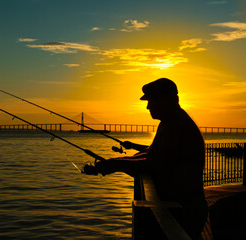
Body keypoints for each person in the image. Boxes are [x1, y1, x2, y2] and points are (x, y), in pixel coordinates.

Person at [83, 78, 208, 240]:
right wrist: (117, 162)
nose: (148, 106)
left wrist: (114, 164)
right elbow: (152, 152)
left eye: (152, 101)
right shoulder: (168, 123)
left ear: (169, 100)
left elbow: (155, 163)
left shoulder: (177, 126)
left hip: (185, 209)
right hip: (180, 205)